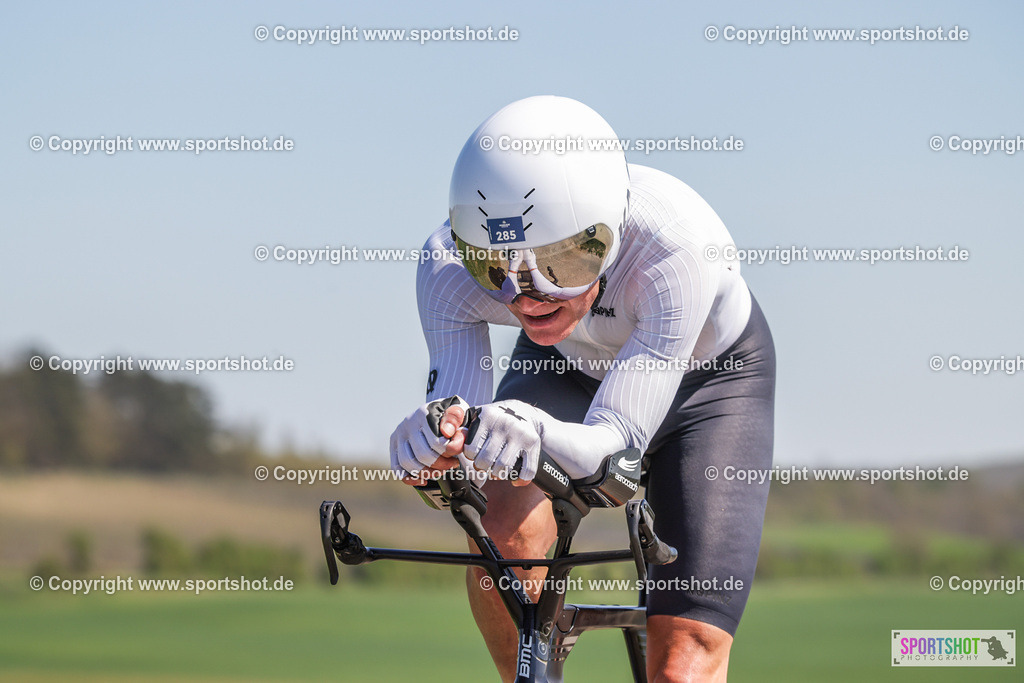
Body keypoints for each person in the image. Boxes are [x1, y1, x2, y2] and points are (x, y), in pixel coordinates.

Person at [390, 95, 776, 682]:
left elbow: (613, 458)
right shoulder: (445, 264)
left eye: (561, 265)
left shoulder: (675, 247)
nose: (526, 297)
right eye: (493, 266)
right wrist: (433, 449)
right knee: (501, 531)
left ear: (609, 235)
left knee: (683, 663)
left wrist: (529, 426)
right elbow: (461, 438)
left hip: (711, 388)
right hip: (563, 367)